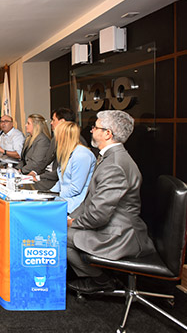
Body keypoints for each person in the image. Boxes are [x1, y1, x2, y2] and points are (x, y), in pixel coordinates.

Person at [67, 110, 156, 294]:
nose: (91, 131)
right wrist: (71, 217)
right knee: (63, 229)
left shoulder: (114, 164)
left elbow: (98, 215)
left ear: (108, 134)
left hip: (119, 234)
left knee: (58, 237)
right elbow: (90, 200)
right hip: (112, 226)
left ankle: (101, 281)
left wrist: (73, 223)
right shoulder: (110, 157)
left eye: (95, 127)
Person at [31, 107, 86, 190]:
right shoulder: (55, 139)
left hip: (59, 181)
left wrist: (39, 177)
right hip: (50, 177)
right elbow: (46, 160)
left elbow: (64, 172)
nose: (51, 123)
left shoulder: (78, 143)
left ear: (62, 122)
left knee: (32, 187)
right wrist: (34, 172)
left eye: (53, 120)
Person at [50, 122, 95, 214]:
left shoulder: (82, 155)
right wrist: (48, 193)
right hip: (65, 199)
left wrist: (55, 195)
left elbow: (75, 189)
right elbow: (62, 181)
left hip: (75, 205)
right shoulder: (68, 153)